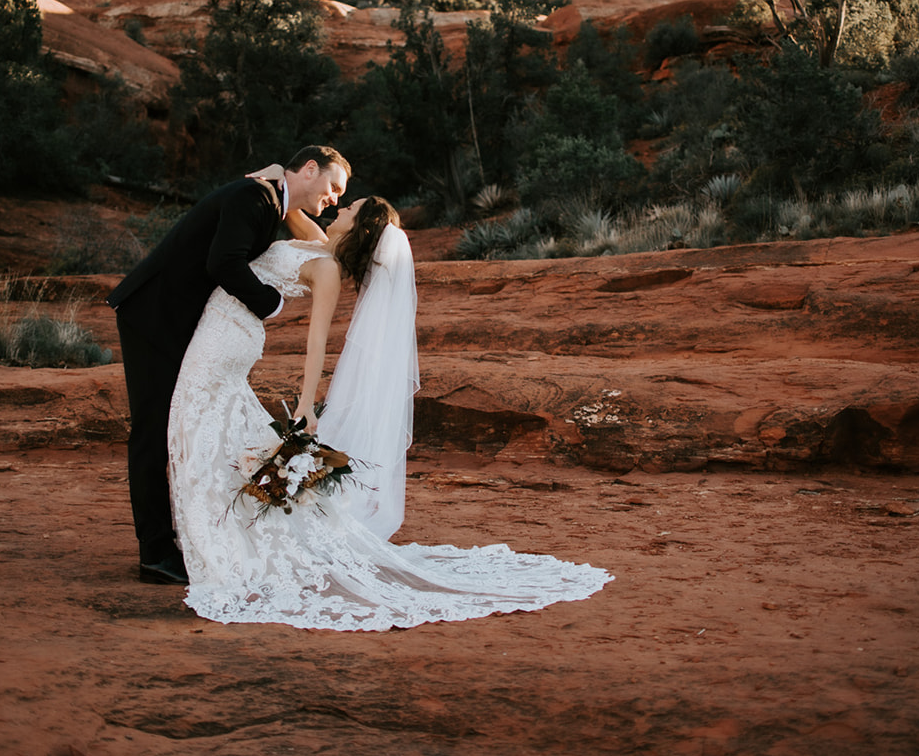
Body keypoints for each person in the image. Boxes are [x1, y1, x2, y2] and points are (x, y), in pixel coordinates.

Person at [166, 196, 611, 631]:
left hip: (229, 339)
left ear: (359, 229)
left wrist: (306, 402)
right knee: (212, 431)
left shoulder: (328, 270)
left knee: (206, 426)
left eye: (350, 209)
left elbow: (316, 343)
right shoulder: (319, 243)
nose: (339, 208)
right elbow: (290, 208)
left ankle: (211, 536)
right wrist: (273, 184)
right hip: (224, 329)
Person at [106, 146, 350, 586]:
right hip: (154, 315)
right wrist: (271, 305)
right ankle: (156, 553)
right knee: (151, 431)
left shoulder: (271, 201)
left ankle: (171, 539)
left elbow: (317, 242)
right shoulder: (254, 199)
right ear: (309, 169)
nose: (334, 198)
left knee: (168, 425)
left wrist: (280, 174)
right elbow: (223, 263)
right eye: (333, 187)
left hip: (177, 321)